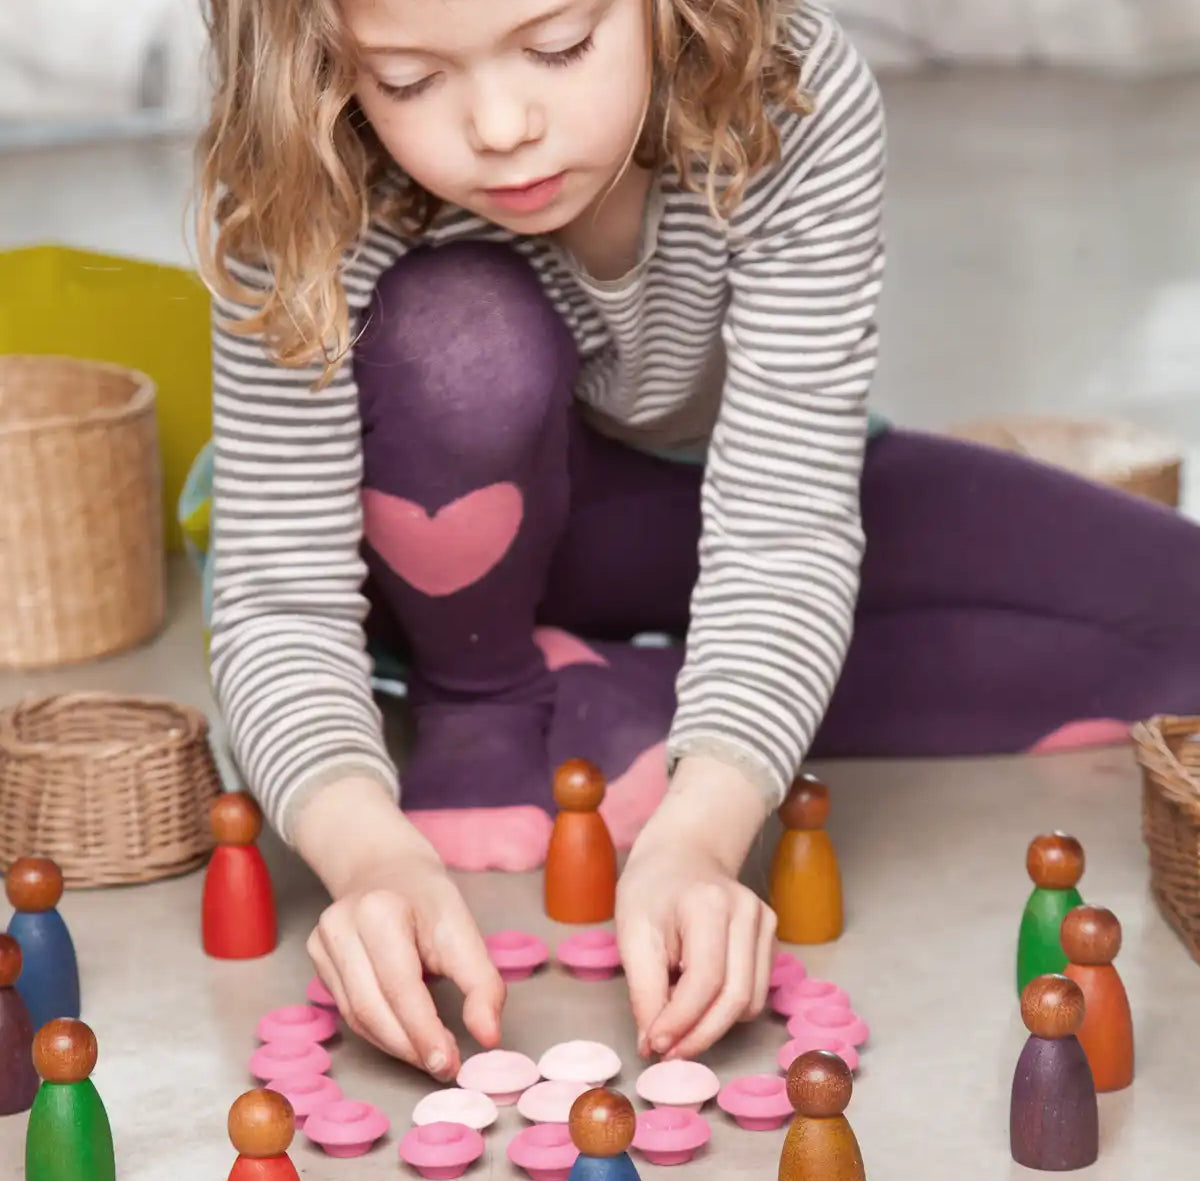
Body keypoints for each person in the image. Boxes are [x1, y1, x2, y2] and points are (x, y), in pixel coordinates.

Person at [191, 0, 1200, 1083]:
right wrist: (366, 855)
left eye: (558, 47)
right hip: (431, 545)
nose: (497, 124)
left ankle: (625, 702)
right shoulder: (297, 159)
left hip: (703, 496)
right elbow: (279, 597)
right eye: (405, 79)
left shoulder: (794, 92)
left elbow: (782, 522)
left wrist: (701, 827)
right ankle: (483, 697)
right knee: (458, 343)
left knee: (1174, 611)